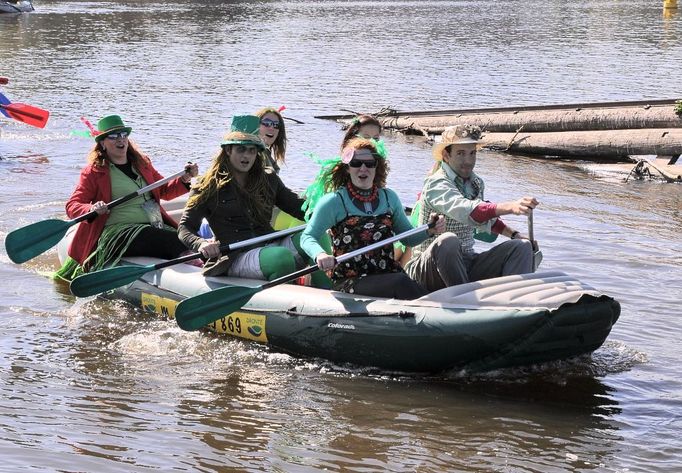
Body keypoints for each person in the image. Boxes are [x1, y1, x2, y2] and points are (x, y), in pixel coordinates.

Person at [177, 115, 328, 286]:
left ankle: (329, 292)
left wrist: (329, 212)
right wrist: (201, 244)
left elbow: (300, 208)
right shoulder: (206, 186)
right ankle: (286, 301)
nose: (247, 156)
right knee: (280, 257)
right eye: (241, 149)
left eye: (252, 150)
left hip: (270, 244)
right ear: (228, 151)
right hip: (236, 257)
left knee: (318, 234)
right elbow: (185, 227)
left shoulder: (268, 179)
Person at [56, 114, 198, 281]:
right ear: (102, 143)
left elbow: (165, 191)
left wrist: (185, 179)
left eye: (124, 134)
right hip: (118, 232)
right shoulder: (94, 172)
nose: (120, 140)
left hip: (151, 225)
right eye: (114, 136)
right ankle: (196, 265)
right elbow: (73, 205)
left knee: (187, 238)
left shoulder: (142, 164)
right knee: (173, 241)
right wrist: (92, 209)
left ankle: (197, 264)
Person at [300, 137, 445, 299]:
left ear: (377, 167)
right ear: (347, 168)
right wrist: (320, 254)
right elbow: (307, 237)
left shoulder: (389, 198)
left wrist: (430, 230)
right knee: (400, 282)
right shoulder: (334, 202)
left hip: (388, 274)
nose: (363, 168)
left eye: (369, 164)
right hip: (350, 281)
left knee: (401, 280)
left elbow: (407, 239)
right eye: (356, 163)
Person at [404, 124, 539, 292]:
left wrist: (515, 235)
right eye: (460, 153)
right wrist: (510, 207)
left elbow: (486, 219)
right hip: (426, 269)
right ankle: (466, 299)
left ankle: (515, 300)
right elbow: (468, 211)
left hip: (465, 262)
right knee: (448, 240)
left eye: (472, 153)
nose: (468, 161)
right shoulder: (437, 183)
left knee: (522, 246)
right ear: (446, 155)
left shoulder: (476, 183)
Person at [255, 106, 287, 174]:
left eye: (276, 125)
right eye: (267, 123)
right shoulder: (254, 153)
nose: (272, 128)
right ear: (256, 125)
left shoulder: (266, 152)